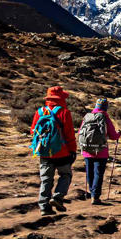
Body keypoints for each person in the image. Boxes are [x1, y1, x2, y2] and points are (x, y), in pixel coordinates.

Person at [30, 86, 76, 216]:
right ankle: (57, 198)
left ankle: (44, 207)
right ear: (61, 98)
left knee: (46, 179)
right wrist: (72, 150)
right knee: (65, 175)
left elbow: (33, 131)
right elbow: (69, 135)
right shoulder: (64, 113)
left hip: (44, 151)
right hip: (62, 152)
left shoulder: (39, 112)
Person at [79, 98, 121, 205]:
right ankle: (95, 196)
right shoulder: (105, 118)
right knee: (98, 173)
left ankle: (92, 192)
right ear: (106, 107)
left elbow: (80, 132)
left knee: (90, 172)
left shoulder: (87, 117)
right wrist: (118, 134)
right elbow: (112, 135)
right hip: (101, 151)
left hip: (87, 150)